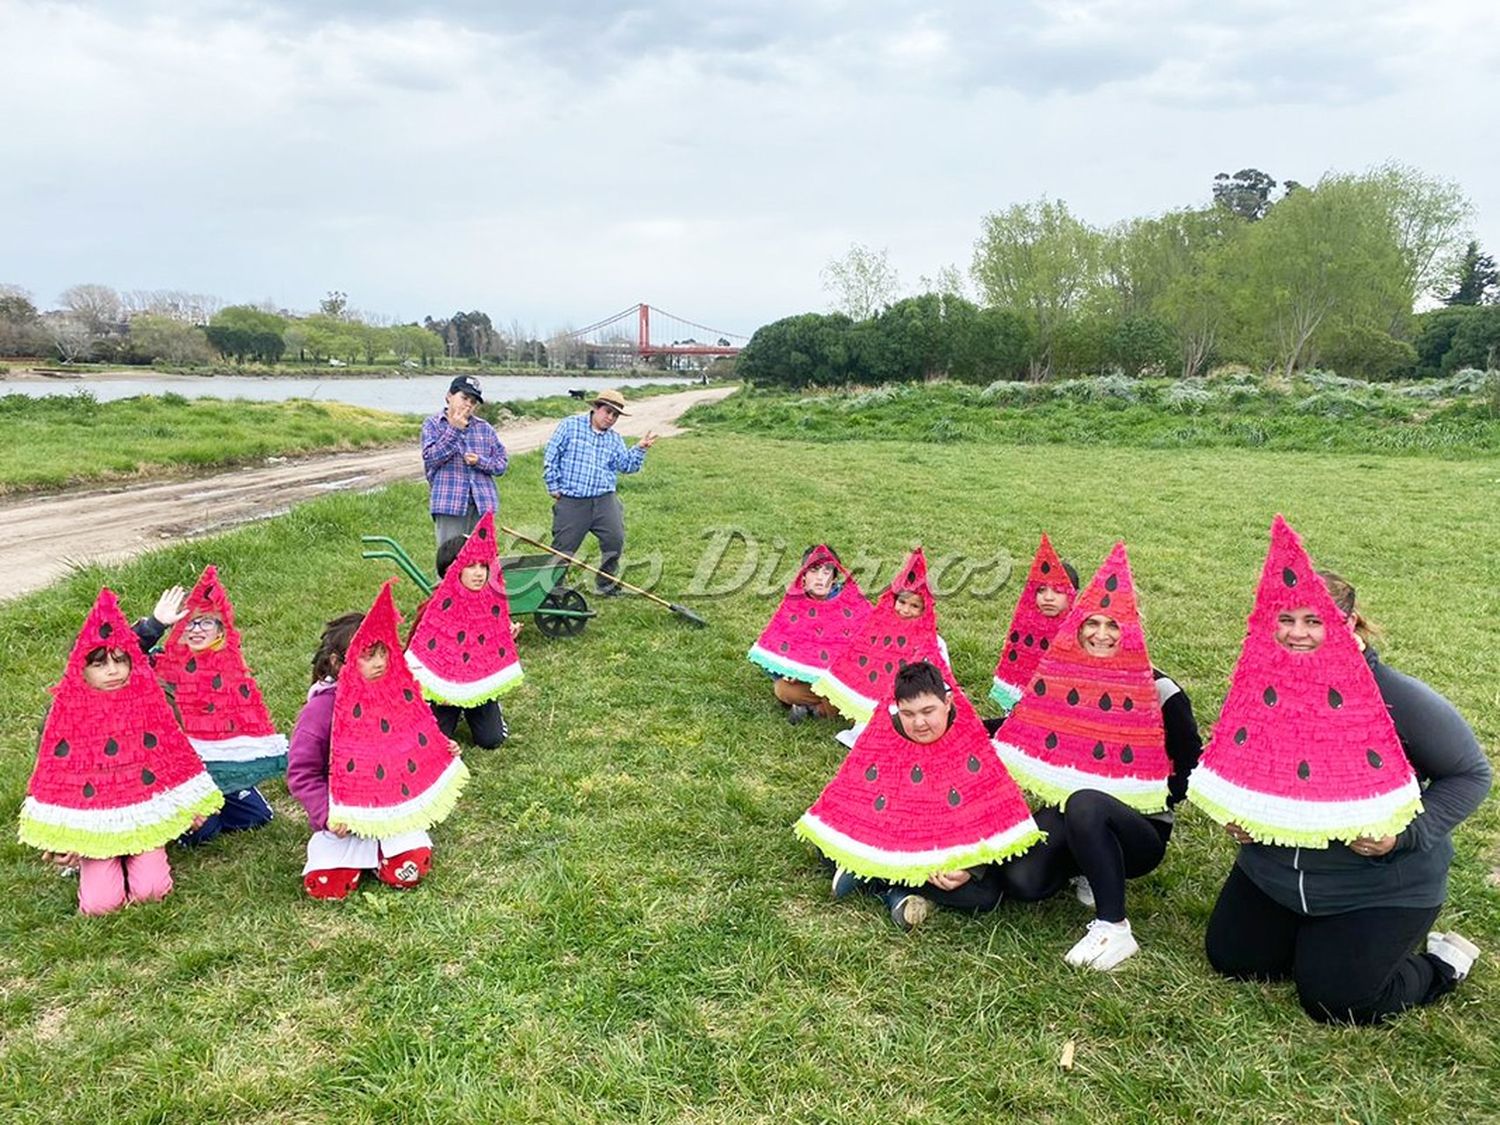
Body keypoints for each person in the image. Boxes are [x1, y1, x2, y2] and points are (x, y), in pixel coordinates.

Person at [1205, 572, 1491, 1024]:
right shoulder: (1260, 687)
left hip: (1376, 887)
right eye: (1286, 618)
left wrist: (1403, 835)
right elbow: (1243, 762)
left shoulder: (1397, 698)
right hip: (1273, 871)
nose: (1297, 633)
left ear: (1348, 621)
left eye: (1314, 621)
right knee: (1236, 961)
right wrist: (1239, 814)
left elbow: (1470, 775)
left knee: (1337, 1003)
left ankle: (1441, 965)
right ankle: (1319, 940)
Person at [989, 609, 1204, 971]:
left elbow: (1191, 768)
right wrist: (956, 724)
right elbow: (1021, 726)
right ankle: (1087, 866)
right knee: (1023, 881)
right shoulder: (1067, 679)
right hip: (1069, 815)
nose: (1101, 635)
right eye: (1092, 623)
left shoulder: (1161, 690)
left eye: (1113, 626)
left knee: (1087, 804)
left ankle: (1113, 927)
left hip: (1140, 831)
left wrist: (1145, 791)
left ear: (1134, 631)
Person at [287, 614, 453, 899]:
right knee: (327, 890)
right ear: (338, 663)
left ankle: (382, 855)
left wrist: (441, 749)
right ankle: (349, 855)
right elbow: (302, 773)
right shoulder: (320, 712)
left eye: (382, 653)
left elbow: (412, 741)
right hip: (343, 818)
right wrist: (327, 815)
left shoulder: (394, 695)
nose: (378, 663)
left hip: (392, 811)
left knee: (409, 873)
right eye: (367, 656)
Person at [831, 662, 1007, 930]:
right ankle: (897, 890)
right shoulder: (884, 734)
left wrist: (970, 867)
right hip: (886, 838)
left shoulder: (972, 739)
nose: (919, 723)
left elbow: (995, 814)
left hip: (949, 849)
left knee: (987, 896)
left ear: (947, 702)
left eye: (928, 711)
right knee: (827, 837)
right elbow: (858, 799)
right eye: (908, 713)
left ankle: (875, 878)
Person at [410, 534, 525, 749]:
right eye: (470, 566)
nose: (479, 573)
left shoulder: (490, 603)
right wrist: (431, 689)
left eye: (483, 565)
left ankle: (487, 708)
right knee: (433, 741)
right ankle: (447, 712)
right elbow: (414, 656)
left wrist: (505, 637)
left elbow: (491, 647)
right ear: (450, 570)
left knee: (491, 740)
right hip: (442, 689)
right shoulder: (433, 608)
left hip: (478, 684)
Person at [542, 388, 656, 596]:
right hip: (573, 500)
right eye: (607, 412)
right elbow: (551, 456)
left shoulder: (614, 439)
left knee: (615, 539)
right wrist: (553, 486)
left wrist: (640, 448)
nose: (610, 418)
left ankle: (606, 584)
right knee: (563, 546)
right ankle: (552, 588)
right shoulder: (570, 426)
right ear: (595, 408)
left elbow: (626, 465)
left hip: (604, 499)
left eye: (615, 415)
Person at [833, 589, 951, 748]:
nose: (905, 610)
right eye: (901, 602)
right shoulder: (876, 634)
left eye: (914, 606)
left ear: (924, 610)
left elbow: (942, 680)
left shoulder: (935, 643)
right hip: (875, 700)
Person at [421, 375, 508, 548]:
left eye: (473, 401)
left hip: (482, 504)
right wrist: (454, 429)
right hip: (449, 503)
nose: (468, 404)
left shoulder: (484, 428)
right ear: (449, 396)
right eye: (464, 398)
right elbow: (430, 458)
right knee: (450, 560)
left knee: (480, 558)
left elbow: (501, 464)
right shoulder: (433, 424)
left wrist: (480, 462)